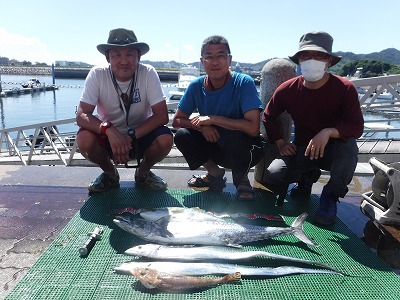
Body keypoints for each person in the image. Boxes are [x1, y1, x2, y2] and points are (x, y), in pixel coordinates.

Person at [262, 31, 364, 225]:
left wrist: (328, 132)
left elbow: (356, 127)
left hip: (335, 150)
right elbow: (268, 115)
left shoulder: (345, 88)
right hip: (303, 148)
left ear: (329, 61)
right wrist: (281, 142)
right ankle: (306, 177)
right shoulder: (288, 88)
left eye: (319, 55)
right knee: (275, 173)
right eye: (306, 55)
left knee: (349, 147)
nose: (312, 60)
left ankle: (331, 195)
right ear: (299, 60)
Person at [76, 28, 173, 193]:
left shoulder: (148, 73)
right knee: (84, 139)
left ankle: (143, 173)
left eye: (129, 54)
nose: (124, 61)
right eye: (116, 55)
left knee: (165, 139)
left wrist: (129, 135)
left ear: (138, 56)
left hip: (139, 135)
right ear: (107, 57)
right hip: (108, 136)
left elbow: (162, 116)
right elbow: (81, 115)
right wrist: (108, 129)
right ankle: (109, 174)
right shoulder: (97, 74)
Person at [172, 35, 265, 200]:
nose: (215, 62)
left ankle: (242, 180)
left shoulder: (244, 82)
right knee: (182, 135)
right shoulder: (196, 86)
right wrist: (201, 126)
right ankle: (215, 174)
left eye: (221, 56)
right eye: (209, 57)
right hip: (215, 146)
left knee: (238, 137)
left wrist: (212, 119)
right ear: (202, 61)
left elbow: (252, 128)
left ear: (229, 59)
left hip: (246, 148)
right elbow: (177, 121)